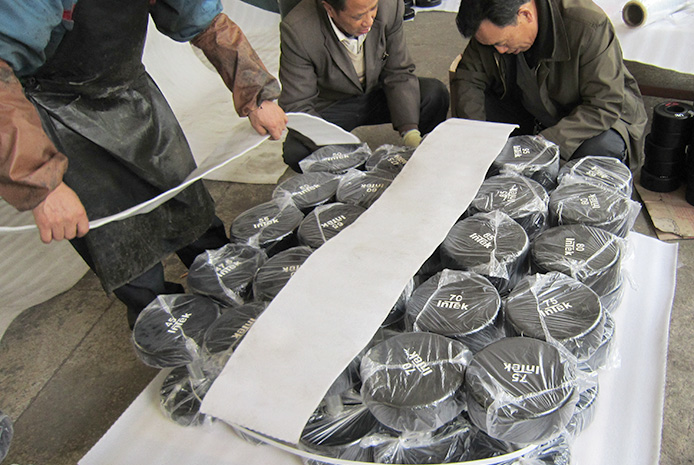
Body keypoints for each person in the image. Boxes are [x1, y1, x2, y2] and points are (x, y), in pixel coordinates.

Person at [0, 0, 287, 327]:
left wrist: (255, 94)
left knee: (188, 205)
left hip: (131, 95)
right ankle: (172, 328)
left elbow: (204, 20)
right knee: (120, 244)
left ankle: (234, 284)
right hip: (61, 115)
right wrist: (41, 182)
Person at [451, 0, 647, 169]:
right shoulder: (491, 26)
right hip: (532, 109)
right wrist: (477, 136)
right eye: (492, 44)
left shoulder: (588, 26)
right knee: (475, 115)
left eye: (503, 43)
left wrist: (545, 144)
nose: (499, 50)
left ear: (525, 15)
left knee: (595, 156)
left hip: (593, 117)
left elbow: (604, 104)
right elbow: (468, 78)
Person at [278, 0, 450, 172]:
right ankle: (347, 173)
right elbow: (297, 104)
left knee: (434, 94)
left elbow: (398, 72)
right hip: (332, 104)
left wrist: (410, 132)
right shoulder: (299, 31)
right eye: (358, 16)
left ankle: (421, 157)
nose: (369, 21)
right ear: (330, 9)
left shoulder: (388, 5)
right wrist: (347, 154)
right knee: (297, 152)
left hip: (377, 90)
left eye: (373, 9)